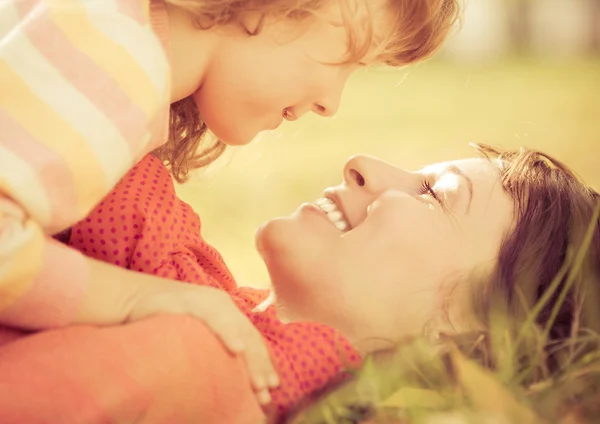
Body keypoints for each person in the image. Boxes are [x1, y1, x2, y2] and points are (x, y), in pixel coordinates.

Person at [0, 0, 498, 402]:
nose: (329, 102)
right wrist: (136, 298)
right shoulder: (110, 61)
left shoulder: (97, 32)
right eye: (348, 58)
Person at [0, 143, 595, 423]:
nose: (363, 163)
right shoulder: (188, 295)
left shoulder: (195, 359)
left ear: (463, 344)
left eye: (435, 195)